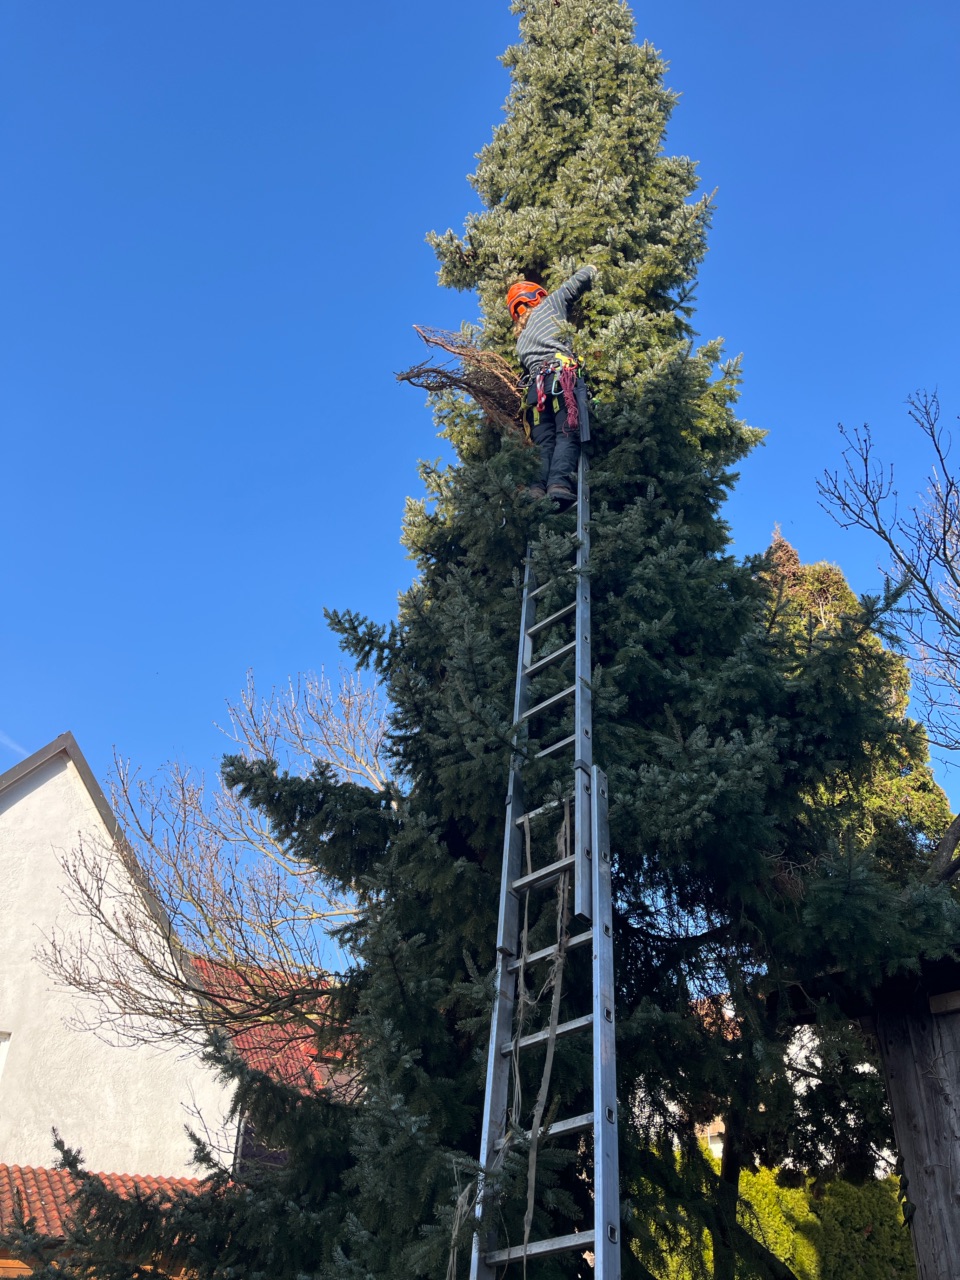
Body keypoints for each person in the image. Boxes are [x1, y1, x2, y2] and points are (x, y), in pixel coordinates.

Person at [507, 265, 597, 503]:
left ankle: (536, 489)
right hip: (560, 381)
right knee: (567, 432)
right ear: (536, 297)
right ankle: (559, 484)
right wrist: (591, 268)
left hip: (535, 396)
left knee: (544, 442)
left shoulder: (521, 341)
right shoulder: (549, 307)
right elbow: (572, 287)